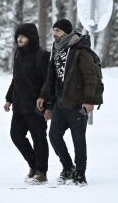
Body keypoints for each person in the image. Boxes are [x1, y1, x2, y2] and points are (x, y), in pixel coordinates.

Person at [37, 19, 99, 186]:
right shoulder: (56, 50)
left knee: (78, 140)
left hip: (78, 103)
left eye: (57, 30)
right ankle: (68, 167)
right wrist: (46, 99)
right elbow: (51, 78)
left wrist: (88, 101)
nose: (54, 33)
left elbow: (90, 77)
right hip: (60, 103)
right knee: (54, 136)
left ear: (66, 32)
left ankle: (80, 174)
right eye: (53, 30)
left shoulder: (80, 50)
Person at [4, 23, 50, 184]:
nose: (19, 39)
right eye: (18, 36)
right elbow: (16, 79)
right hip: (19, 104)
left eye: (23, 36)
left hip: (36, 106)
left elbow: (48, 82)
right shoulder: (18, 54)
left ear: (31, 38)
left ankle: (41, 172)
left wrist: (46, 103)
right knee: (16, 135)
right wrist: (9, 99)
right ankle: (33, 164)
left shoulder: (42, 55)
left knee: (39, 139)